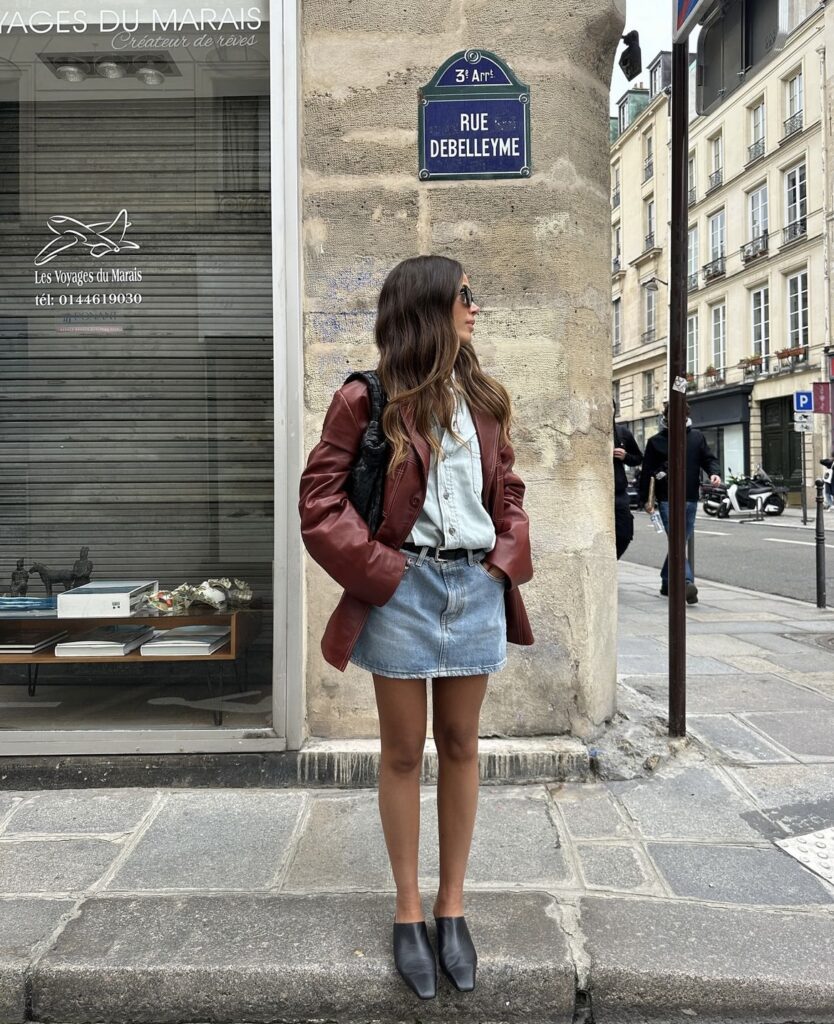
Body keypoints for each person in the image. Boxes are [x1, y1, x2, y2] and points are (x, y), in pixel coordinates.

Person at [299, 256, 533, 1000]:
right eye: (467, 294)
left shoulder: (485, 397)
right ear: (432, 306)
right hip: (401, 586)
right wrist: (382, 573)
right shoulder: (365, 399)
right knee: (402, 753)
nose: (476, 305)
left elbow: (510, 486)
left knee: (462, 746)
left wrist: (504, 558)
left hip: (475, 585)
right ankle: (407, 913)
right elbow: (319, 502)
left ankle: (451, 908)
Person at [639, 400, 721, 604]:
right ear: (666, 417)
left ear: (686, 416)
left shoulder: (696, 438)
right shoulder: (655, 442)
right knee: (676, 541)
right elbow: (646, 473)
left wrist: (714, 473)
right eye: (673, 417)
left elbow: (708, 458)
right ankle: (685, 582)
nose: (678, 421)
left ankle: (667, 581)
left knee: (680, 542)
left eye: (681, 417)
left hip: (691, 497)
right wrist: (645, 500)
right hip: (666, 498)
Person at [613, 403, 643, 559]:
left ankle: (612, 562)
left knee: (624, 534)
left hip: (619, 494)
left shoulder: (621, 432)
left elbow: (638, 458)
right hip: (597, 494)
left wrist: (626, 456)